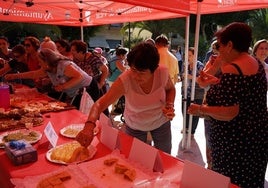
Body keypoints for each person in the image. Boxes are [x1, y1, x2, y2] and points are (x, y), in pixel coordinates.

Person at [187, 22, 267, 188]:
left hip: (235, 146)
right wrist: (216, 81)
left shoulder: (233, 68)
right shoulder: (255, 63)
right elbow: (244, 94)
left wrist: (199, 109)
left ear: (230, 45)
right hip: (256, 141)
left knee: (231, 183)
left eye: (221, 46)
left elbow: (229, 112)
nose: (220, 50)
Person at [76, 42, 176, 154]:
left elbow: (170, 89)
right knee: (137, 161)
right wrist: (89, 126)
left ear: (154, 70)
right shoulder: (126, 80)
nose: (136, 76)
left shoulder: (162, 72)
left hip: (160, 122)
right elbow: (100, 104)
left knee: (165, 156)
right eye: (133, 70)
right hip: (135, 126)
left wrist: (169, 104)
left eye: (142, 73)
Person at [4, 48, 100, 109]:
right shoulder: (48, 68)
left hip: (89, 89)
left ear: (46, 61)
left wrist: (63, 86)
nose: (38, 63)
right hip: (77, 92)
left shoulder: (64, 65)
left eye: (40, 61)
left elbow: (79, 76)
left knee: (92, 112)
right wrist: (15, 76)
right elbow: (34, 74)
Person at [70, 40, 109, 115]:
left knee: (97, 112)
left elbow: (105, 70)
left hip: (94, 89)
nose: (71, 52)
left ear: (81, 52)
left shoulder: (93, 59)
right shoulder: (75, 59)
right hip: (81, 90)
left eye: (73, 50)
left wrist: (100, 84)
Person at [181, 47, 204, 136]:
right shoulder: (184, 65)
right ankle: (186, 127)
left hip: (197, 94)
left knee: (195, 114)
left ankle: (192, 131)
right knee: (184, 111)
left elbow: (203, 80)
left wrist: (191, 77)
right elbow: (182, 76)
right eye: (186, 55)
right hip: (186, 92)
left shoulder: (200, 66)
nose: (187, 57)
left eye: (190, 55)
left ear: (195, 56)